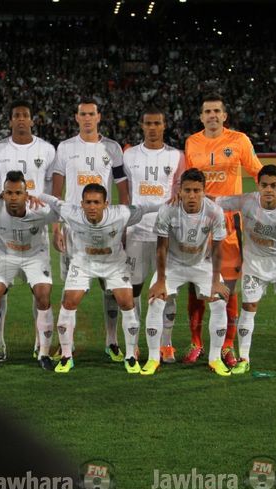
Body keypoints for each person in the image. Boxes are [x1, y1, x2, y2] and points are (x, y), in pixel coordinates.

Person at [37, 184, 158, 374]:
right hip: (83, 263)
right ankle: (67, 356)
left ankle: (130, 356)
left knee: (127, 303)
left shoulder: (121, 213)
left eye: (96, 202)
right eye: (88, 202)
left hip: (114, 264)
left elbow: (146, 207)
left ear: (106, 204)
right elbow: (53, 201)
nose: (92, 207)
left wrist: (172, 203)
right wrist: (32, 195)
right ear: (82, 203)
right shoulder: (72, 212)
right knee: (68, 303)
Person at [183, 94, 263, 366]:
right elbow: (188, 181)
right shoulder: (192, 142)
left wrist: (266, 201)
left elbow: (257, 171)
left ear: (224, 115)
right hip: (198, 222)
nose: (212, 115)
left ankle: (228, 346)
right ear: (201, 116)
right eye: (207, 111)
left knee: (228, 285)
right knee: (196, 285)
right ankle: (196, 342)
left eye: (217, 111)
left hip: (230, 224)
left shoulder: (239, 140)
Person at [214, 165, 276, 377]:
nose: (269, 190)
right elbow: (218, 200)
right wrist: (191, 195)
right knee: (249, 306)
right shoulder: (247, 201)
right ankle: (244, 359)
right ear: (258, 185)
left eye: (273, 185)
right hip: (254, 264)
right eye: (264, 185)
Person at [51, 97, 129, 362]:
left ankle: (112, 341)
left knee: (110, 287)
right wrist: (56, 226)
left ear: (98, 117)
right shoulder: (65, 148)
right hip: (73, 227)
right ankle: (67, 345)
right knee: (71, 289)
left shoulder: (112, 148)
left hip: (106, 228)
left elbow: (122, 188)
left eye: (91, 114)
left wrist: (124, 224)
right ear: (77, 118)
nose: (87, 118)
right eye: (82, 114)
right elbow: (57, 189)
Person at [143, 169, 230, 376]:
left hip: (202, 264)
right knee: (155, 301)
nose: (192, 195)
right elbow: (161, 248)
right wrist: (160, 281)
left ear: (204, 191)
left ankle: (215, 359)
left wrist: (216, 281)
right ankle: (153, 358)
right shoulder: (168, 210)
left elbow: (218, 249)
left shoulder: (215, 212)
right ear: (179, 191)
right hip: (173, 264)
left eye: (197, 191)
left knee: (219, 301)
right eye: (187, 190)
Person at [0, 101, 57, 360]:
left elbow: (50, 188)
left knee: (39, 290)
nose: (20, 119)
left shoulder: (47, 149)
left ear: (31, 120)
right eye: (16, 115)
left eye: (25, 115)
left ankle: (41, 344)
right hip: (4, 227)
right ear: (10, 121)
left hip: (35, 226)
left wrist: (41, 206)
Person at [0, 171, 60, 370]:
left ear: (26, 194)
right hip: (6, 256)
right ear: (3, 194)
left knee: (43, 295)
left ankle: (44, 353)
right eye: (9, 193)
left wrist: (41, 196)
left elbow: (63, 211)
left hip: (35, 257)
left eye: (18, 193)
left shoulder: (40, 211)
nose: (13, 198)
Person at [123, 106, 185, 363]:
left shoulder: (176, 156)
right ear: (142, 125)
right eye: (148, 123)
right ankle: (135, 343)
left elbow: (181, 194)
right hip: (136, 231)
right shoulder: (129, 155)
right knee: (133, 289)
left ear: (164, 125)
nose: (152, 128)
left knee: (167, 290)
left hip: (166, 233)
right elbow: (124, 194)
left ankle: (166, 344)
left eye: (157, 123)